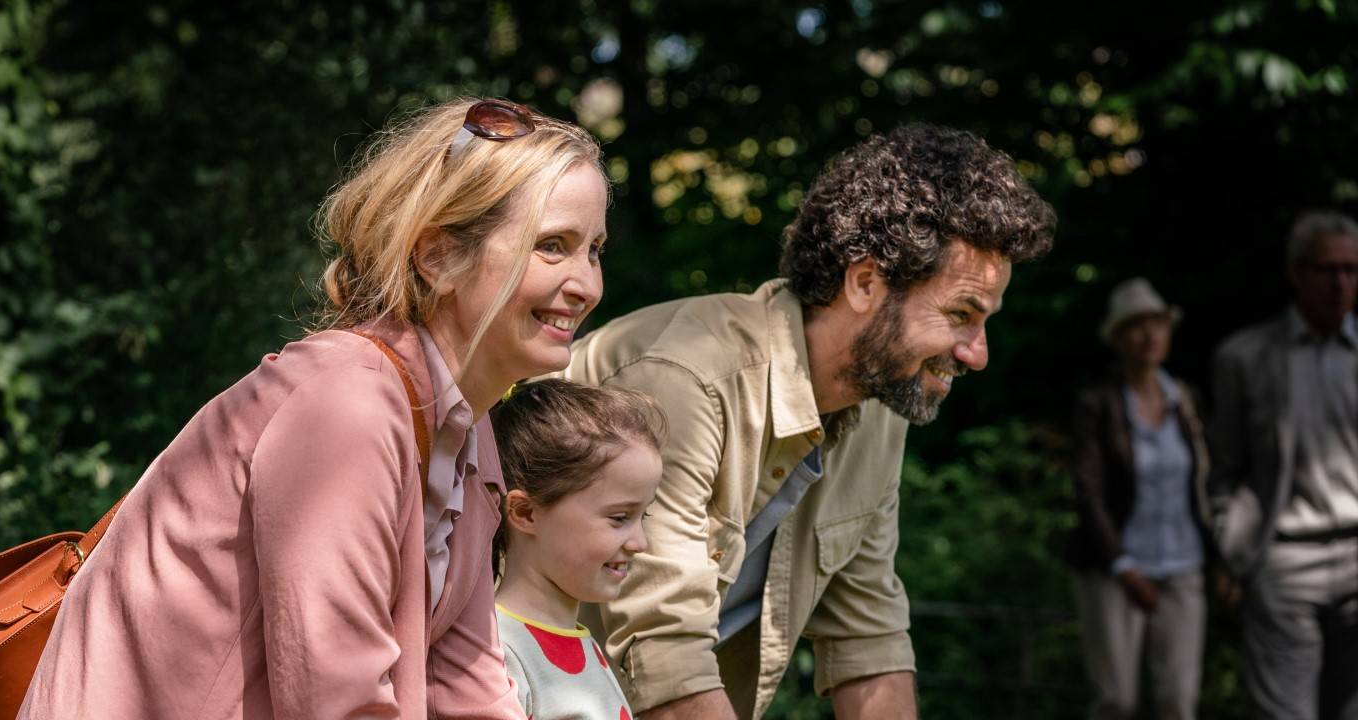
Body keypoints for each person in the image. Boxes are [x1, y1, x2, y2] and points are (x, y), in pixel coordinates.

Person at [16, 98, 609, 719]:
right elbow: (337, 703)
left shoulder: (469, 432)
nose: (587, 285)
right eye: (551, 246)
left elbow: (467, 688)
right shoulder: (348, 409)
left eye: (593, 250)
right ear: (437, 257)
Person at [561, 124, 1056, 719]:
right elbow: (663, 656)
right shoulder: (688, 380)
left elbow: (867, 638)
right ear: (866, 281)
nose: (977, 352)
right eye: (960, 314)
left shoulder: (880, 407)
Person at [1210, 209, 1358, 720]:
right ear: (1297, 272)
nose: (1341, 283)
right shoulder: (1245, 357)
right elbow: (1225, 467)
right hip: (1285, 562)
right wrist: (1235, 548)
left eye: (1351, 269)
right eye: (1328, 269)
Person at [1066, 278, 1212, 720]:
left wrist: (1221, 559)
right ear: (1117, 338)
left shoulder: (1184, 400)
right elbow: (1088, 491)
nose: (1150, 335)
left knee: (1178, 702)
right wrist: (1123, 565)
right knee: (1117, 700)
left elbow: (1203, 483)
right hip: (1115, 568)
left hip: (1183, 566)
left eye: (1157, 324)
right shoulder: (1098, 404)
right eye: (1136, 326)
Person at [489, 379, 666, 720]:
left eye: (644, 516)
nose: (640, 543)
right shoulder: (497, 650)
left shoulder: (582, 644)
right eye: (619, 518)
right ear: (525, 513)